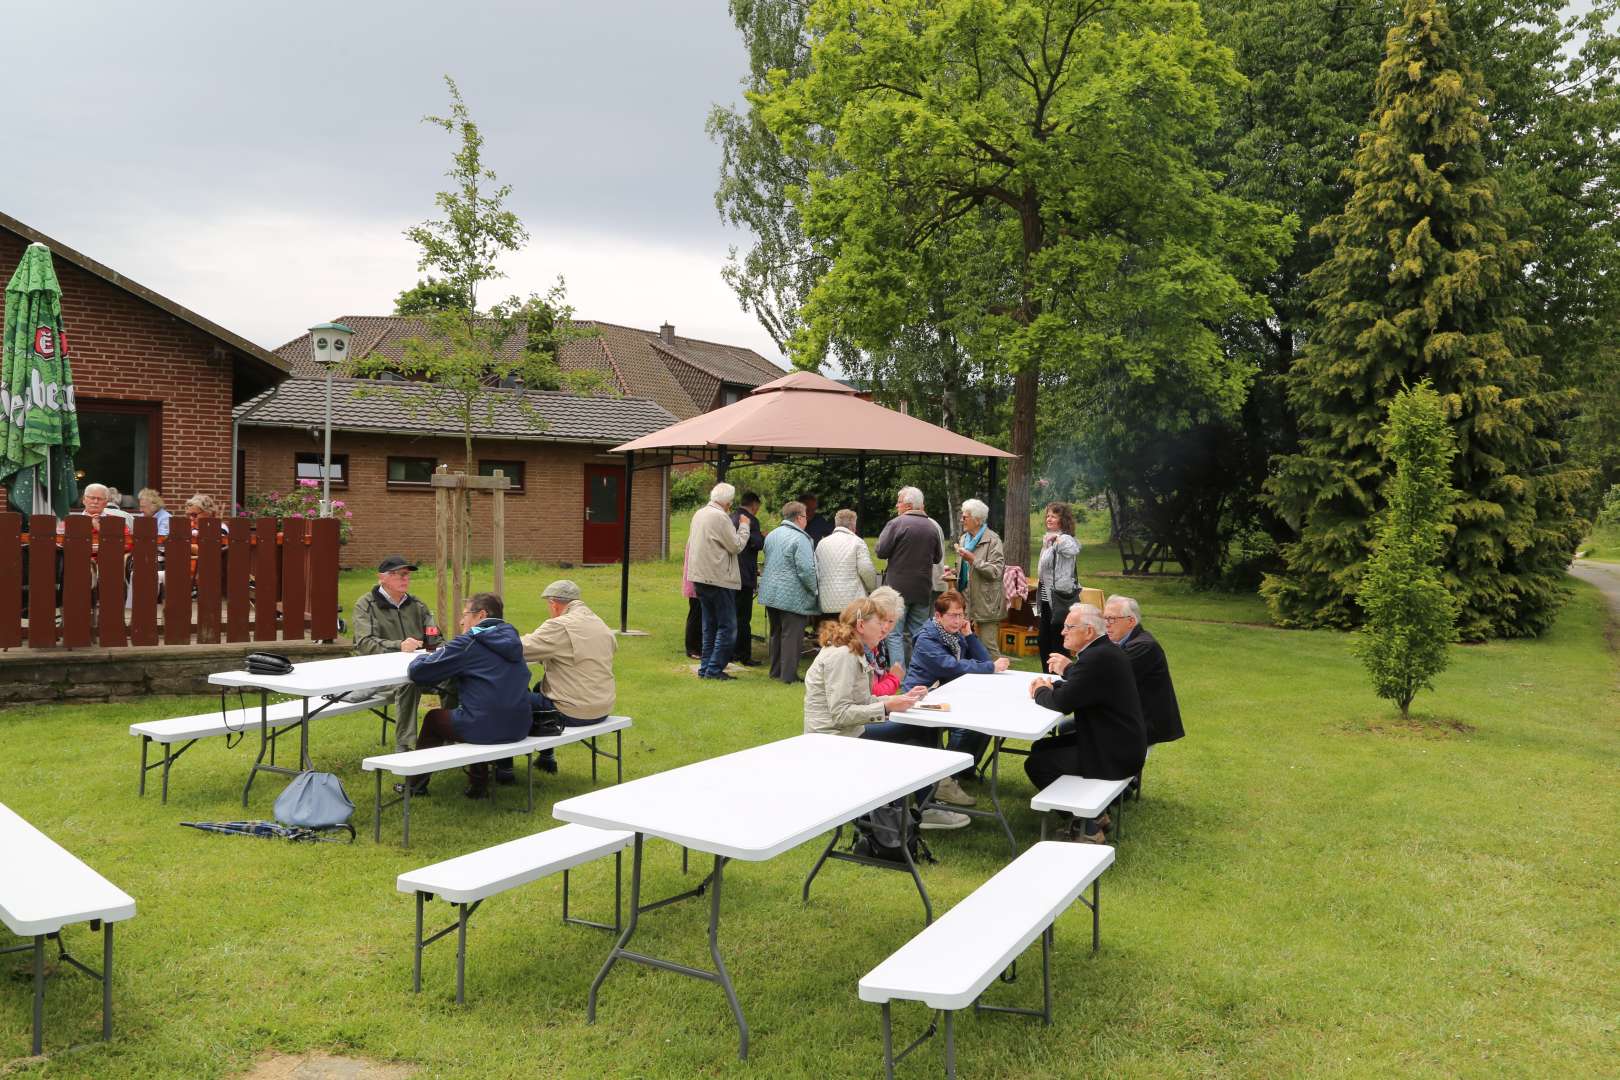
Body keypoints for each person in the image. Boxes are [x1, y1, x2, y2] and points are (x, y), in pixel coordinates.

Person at [802, 598, 968, 830]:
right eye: (880, 623)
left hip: (846, 733)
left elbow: (862, 701)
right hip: (833, 739)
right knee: (916, 732)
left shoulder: (853, 650)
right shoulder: (843, 656)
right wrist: (887, 707)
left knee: (920, 730)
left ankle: (918, 807)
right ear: (861, 625)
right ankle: (916, 810)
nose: (885, 629)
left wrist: (899, 700)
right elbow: (840, 714)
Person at [1026, 604, 1147, 843]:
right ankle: (1097, 816)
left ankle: (1086, 826)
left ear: (1089, 632)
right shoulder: (1101, 652)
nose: (1062, 632)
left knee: (1038, 764)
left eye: (1069, 627)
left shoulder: (1096, 658)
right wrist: (1055, 686)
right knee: (1042, 748)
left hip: (1114, 753)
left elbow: (1062, 703)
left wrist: (1041, 690)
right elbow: (1082, 689)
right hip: (1117, 742)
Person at [404, 592, 533, 799]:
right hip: (520, 725)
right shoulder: (513, 640)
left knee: (434, 719)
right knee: (480, 710)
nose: (461, 620)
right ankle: (477, 785)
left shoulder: (468, 642)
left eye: (465, 614)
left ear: (481, 615)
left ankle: (415, 786)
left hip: (485, 727)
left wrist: (418, 658)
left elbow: (419, 673)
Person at [901, 589, 1011, 808]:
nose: (958, 620)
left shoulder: (954, 635)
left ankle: (959, 771)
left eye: (961, 615)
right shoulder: (927, 639)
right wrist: (990, 667)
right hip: (922, 699)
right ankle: (945, 776)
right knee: (967, 727)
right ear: (938, 616)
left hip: (951, 694)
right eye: (953, 615)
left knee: (984, 723)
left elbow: (981, 659)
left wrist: (970, 635)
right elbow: (953, 667)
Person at [521, 579, 618, 775]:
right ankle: (547, 758)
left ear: (553, 604)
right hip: (602, 706)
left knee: (512, 696)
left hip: (574, 712)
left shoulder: (559, 626)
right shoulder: (599, 623)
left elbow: (518, 648)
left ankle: (503, 770)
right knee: (541, 687)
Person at [353, 555, 437, 753]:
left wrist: (440, 650)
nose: (404, 579)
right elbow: (364, 643)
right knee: (409, 683)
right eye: (397, 574)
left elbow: (435, 638)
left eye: (406, 574)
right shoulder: (366, 604)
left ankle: (453, 736)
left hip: (420, 668)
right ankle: (405, 747)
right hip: (380, 674)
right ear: (381, 578)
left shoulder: (417, 605)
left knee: (455, 679)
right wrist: (399, 645)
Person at [1103, 595, 1184, 795]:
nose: (1106, 624)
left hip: (1142, 724)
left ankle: (1119, 786)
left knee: (1077, 730)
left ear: (1131, 621)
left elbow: (1105, 678)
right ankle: (1121, 782)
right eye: (1104, 618)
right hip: (1128, 717)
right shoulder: (1122, 642)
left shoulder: (1144, 646)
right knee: (1070, 728)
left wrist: (1069, 668)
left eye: (1112, 619)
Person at [686, 482, 751, 680]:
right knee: (728, 626)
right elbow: (736, 545)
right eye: (730, 503)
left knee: (709, 625)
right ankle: (714, 670)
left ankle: (706, 667)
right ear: (727, 503)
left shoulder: (700, 513)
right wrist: (744, 527)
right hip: (718, 578)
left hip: (700, 577)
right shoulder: (720, 517)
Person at [875, 487, 943, 666]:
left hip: (897, 589)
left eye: (898, 501)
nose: (896, 505)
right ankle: (919, 672)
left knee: (894, 633)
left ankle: (899, 674)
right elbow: (938, 558)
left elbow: (881, 551)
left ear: (907, 505)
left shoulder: (896, 524)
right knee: (918, 633)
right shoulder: (932, 527)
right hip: (922, 588)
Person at [760, 500, 819, 684]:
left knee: (776, 633)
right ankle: (789, 676)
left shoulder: (772, 535)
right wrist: (814, 589)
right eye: (805, 516)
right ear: (799, 517)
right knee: (792, 636)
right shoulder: (800, 538)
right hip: (792, 595)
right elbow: (806, 570)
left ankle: (776, 671)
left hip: (771, 592)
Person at [943, 498, 1008, 660]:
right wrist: (952, 572)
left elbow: (996, 571)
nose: (961, 520)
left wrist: (974, 560)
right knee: (962, 644)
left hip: (987, 602)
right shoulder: (964, 539)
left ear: (977, 520)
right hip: (965, 599)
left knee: (988, 647)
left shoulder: (993, 540)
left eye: (965, 517)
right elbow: (966, 571)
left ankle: (998, 680)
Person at [1036, 502, 1081, 663]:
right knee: (1043, 641)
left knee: (1057, 643)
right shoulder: (1048, 538)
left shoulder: (1066, 538)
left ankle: (1061, 678)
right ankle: (1049, 677)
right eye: (1047, 515)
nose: (1049, 519)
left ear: (1062, 520)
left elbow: (1074, 549)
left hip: (1059, 599)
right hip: (1046, 598)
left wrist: (1059, 539)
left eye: (1053, 516)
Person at [815, 508, 876, 618]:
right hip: (852, 604)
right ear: (853, 525)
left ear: (836, 524)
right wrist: (872, 588)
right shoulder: (857, 542)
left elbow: (816, 571)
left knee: (831, 634)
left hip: (826, 603)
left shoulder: (822, 544)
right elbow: (866, 569)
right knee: (852, 635)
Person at [731, 492, 765, 665]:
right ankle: (743, 654)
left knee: (731, 615)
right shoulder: (751, 520)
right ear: (754, 504)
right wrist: (762, 536)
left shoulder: (731, 517)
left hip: (730, 574)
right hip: (744, 574)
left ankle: (731, 651)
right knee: (744, 617)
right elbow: (757, 543)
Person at [867, 586, 908, 696]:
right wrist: (893, 679)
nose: (885, 627)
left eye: (891, 621)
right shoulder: (861, 644)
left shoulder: (878, 642)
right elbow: (870, 696)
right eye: (882, 619)